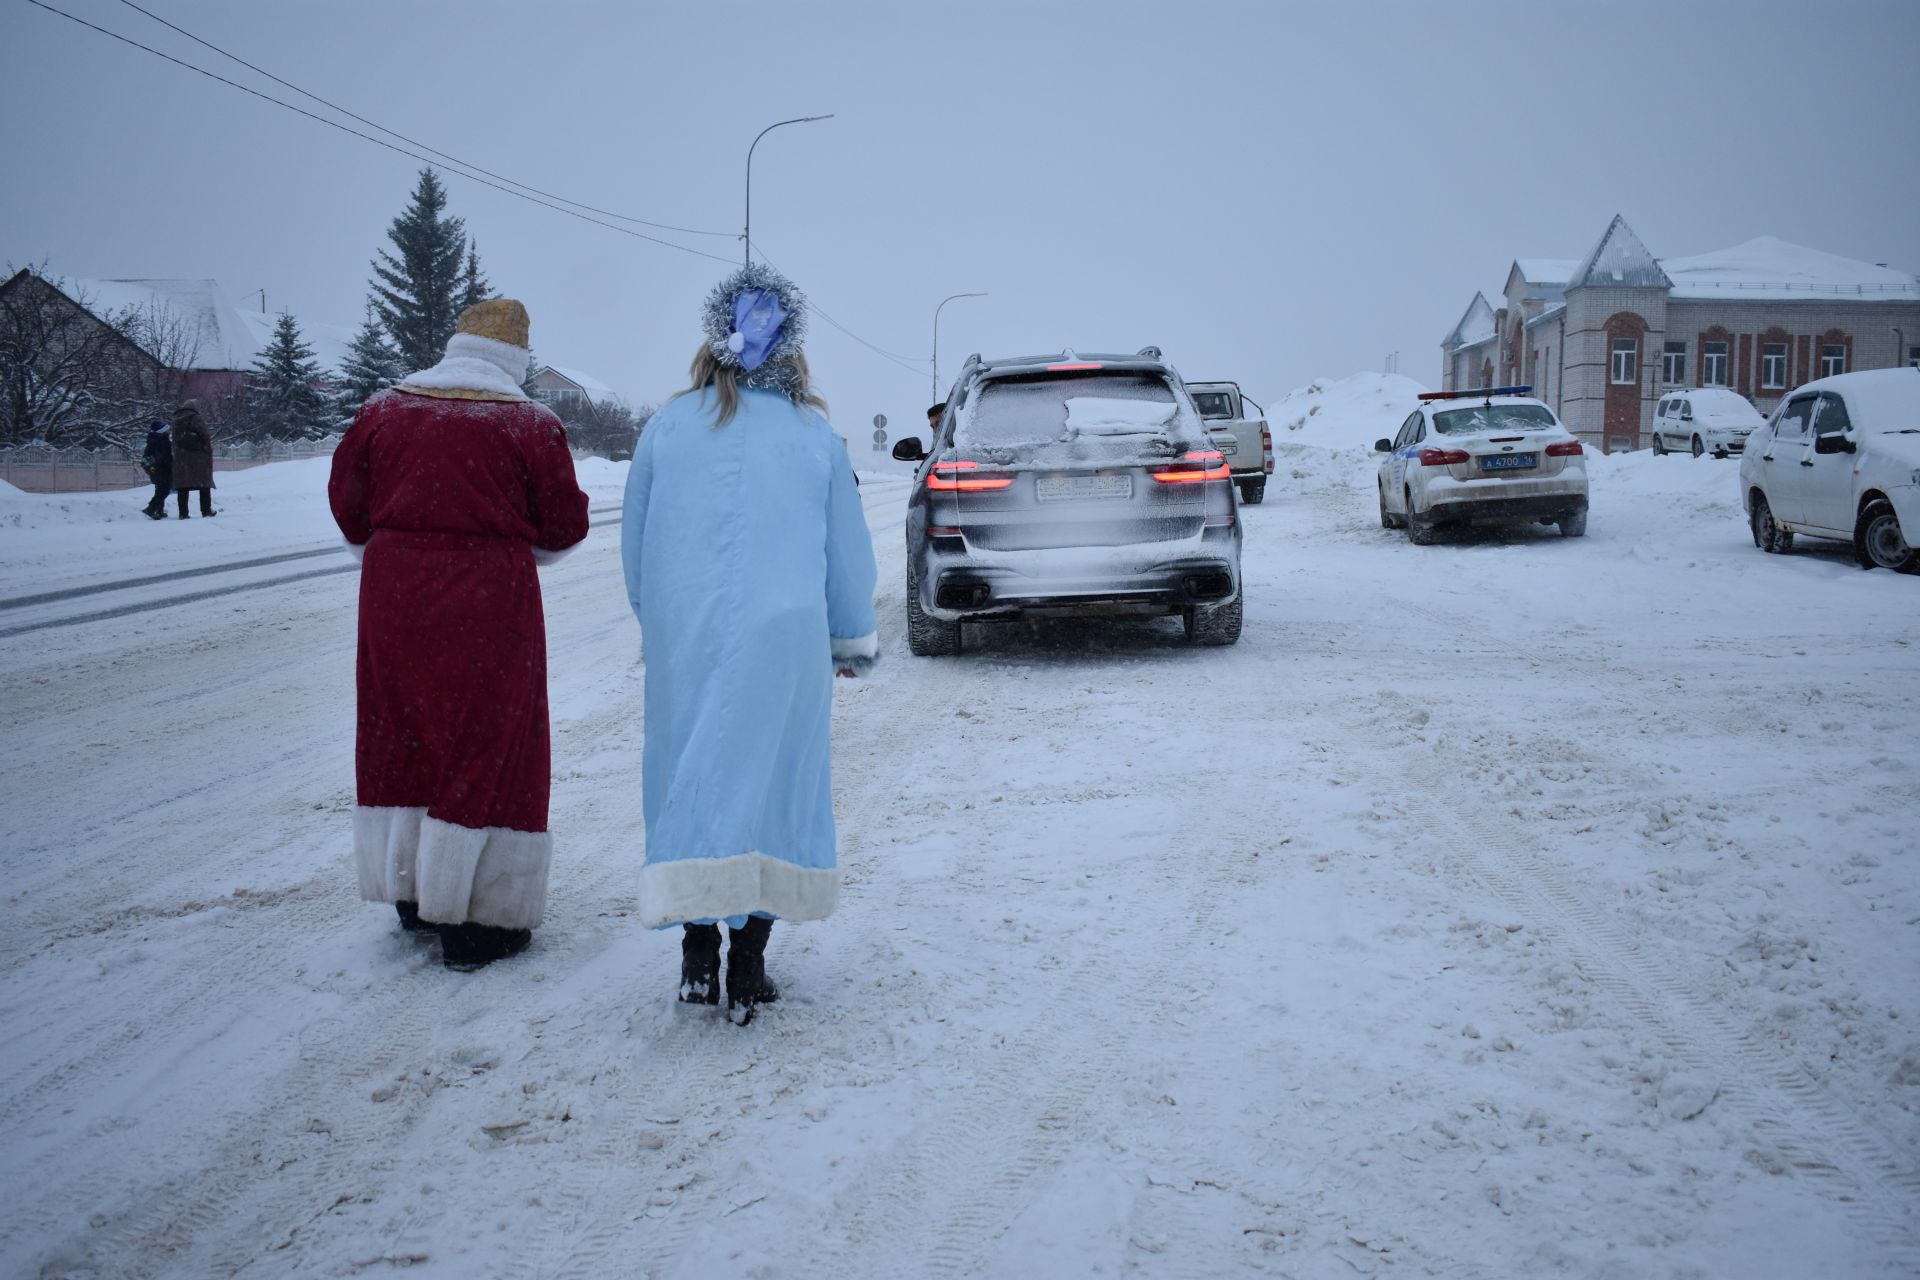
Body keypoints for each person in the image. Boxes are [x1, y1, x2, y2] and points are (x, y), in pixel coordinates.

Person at [621, 263, 878, 1025]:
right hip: (785, 637)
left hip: (687, 635)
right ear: (792, 355)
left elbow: (637, 545)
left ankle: (697, 952)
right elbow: (846, 552)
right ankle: (750, 964)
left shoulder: (667, 426)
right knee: (776, 782)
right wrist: (847, 637)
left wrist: (660, 620)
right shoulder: (813, 436)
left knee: (690, 776)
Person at [328, 299, 590, 971]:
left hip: (390, 596)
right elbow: (563, 526)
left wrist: (395, 546)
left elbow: (348, 507)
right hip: (490, 598)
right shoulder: (530, 425)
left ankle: (411, 896)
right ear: (517, 360)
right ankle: (479, 921)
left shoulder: (383, 411)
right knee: (489, 741)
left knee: (403, 731)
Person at [170, 401, 215, 517]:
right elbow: (205, 435)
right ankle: (206, 511)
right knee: (204, 485)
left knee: (183, 487)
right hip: (198, 458)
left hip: (181, 459)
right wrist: (207, 450)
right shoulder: (195, 418)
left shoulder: (175, 420)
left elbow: (175, 441)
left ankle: (183, 513)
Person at [139, 419, 172, 519]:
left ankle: (159, 510)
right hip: (162, 469)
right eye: (166, 430)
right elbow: (162, 456)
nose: (168, 432)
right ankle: (151, 509)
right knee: (164, 490)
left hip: (155, 469)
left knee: (160, 489)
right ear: (161, 431)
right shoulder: (161, 441)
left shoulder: (153, 439)